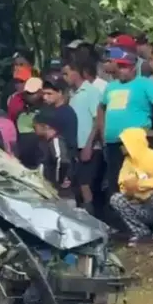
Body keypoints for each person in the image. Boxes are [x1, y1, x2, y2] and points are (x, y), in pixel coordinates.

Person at [98, 47, 153, 200]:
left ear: (133, 67)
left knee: (137, 180)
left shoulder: (145, 84)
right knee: (115, 181)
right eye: (120, 66)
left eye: (125, 67)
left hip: (135, 143)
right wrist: (103, 132)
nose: (122, 70)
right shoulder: (111, 86)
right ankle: (118, 218)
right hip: (113, 142)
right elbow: (101, 108)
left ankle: (142, 215)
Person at [109, 128, 153, 247]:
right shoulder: (128, 161)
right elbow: (122, 184)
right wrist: (129, 190)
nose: (121, 147)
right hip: (139, 204)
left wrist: (141, 184)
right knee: (116, 199)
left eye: (124, 143)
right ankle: (141, 231)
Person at [62, 61, 102, 214]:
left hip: (88, 146)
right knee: (78, 184)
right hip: (74, 145)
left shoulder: (91, 92)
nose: (65, 77)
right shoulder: (72, 94)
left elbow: (96, 119)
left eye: (67, 73)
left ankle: (93, 217)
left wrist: (89, 145)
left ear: (76, 72)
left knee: (86, 184)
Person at [34, 108, 75, 204]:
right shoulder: (47, 143)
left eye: (35, 126)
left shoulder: (56, 141)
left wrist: (58, 182)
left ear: (45, 126)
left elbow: (62, 161)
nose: (34, 128)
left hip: (61, 195)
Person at [40, 79, 78, 158]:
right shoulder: (52, 111)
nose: (45, 97)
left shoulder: (63, 113)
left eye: (49, 94)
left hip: (62, 159)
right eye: (43, 93)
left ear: (60, 93)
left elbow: (48, 134)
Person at [15, 77, 44, 168]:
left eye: (32, 93)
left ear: (40, 92)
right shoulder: (21, 112)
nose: (29, 96)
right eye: (27, 93)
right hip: (23, 159)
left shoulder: (45, 111)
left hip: (39, 158)